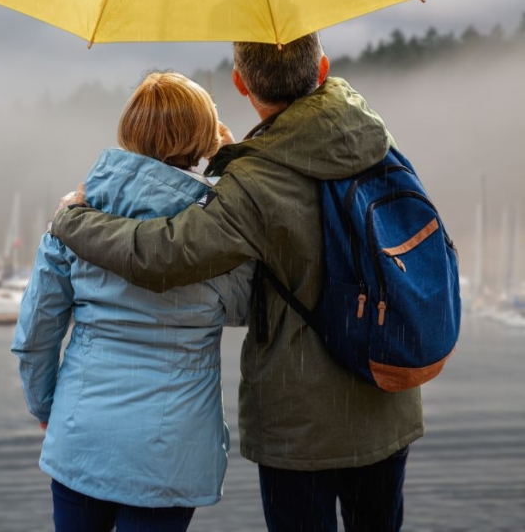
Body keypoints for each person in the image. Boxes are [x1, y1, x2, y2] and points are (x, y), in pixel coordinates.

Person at [50, 33, 422, 532]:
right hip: (387, 389)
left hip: (298, 421)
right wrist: (233, 158)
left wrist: (73, 221)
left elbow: (162, 253)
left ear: (240, 83)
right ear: (323, 68)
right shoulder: (374, 138)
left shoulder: (252, 182)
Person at [12, 71, 253, 532]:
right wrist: (227, 166)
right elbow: (244, 307)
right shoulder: (217, 231)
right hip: (169, 448)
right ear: (204, 139)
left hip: (81, 433)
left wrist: (47, 409)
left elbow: (35, 335)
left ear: (129, 131)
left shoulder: (74, 217)